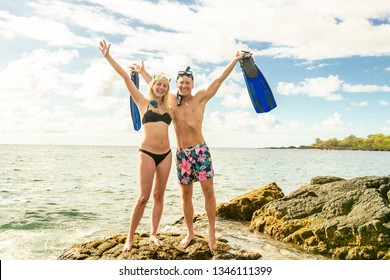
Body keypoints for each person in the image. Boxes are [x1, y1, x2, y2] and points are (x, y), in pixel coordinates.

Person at [134, 51, 246, 251]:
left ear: (192, 85)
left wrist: (235, 60)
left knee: (209, 192)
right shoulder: (170, 101)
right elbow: (155, 84)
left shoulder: (201, 98)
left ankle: (212, 233)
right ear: (176, 85)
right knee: (185, 196)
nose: (184, 86)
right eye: (181, 83)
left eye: (187, 83)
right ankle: (190, 232)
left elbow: (219, 80)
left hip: (200, 151)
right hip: (182, 154)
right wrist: (143, 72)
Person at [99, 40, 173, 251]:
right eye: (158, 84)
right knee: (143, 196)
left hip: (166, 154)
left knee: (159, 196)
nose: (161, 87)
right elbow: (124, 77)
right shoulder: (142, 101)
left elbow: (160, 89)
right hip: (147, 153)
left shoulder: (169, 107)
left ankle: (153, 234)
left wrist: (146, 72)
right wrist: (108, 57)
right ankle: (129, 238)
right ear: (152, 86)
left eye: (165, 85)